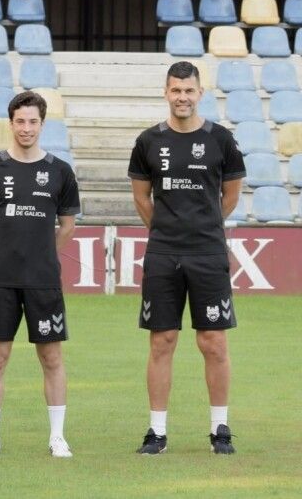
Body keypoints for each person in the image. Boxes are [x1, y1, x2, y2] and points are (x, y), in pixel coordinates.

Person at [128, 61, 244, 455]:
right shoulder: (148, 141)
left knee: (213, 343)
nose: (182, 97)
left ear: (200, 93)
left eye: (189, 91)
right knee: (162, 341)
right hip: (163, 253)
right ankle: (156, 432)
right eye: (176, 90)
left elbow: (230, 196)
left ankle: (220, 429)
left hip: (208, 252)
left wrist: (203, 226)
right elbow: (141, 197)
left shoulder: (221, 140)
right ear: (166, 92)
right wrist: (165, 231)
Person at [0, 91, 80, 458]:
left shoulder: (60, 171)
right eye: (20, 121)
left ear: (42, 125)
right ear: (10, 123)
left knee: (51, 358)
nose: (26, 128)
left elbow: (67, 226)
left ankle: (57, 437)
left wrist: (41, 254)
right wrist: (0, 254)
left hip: (43, 280)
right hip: (1, 279)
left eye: (33, 121)